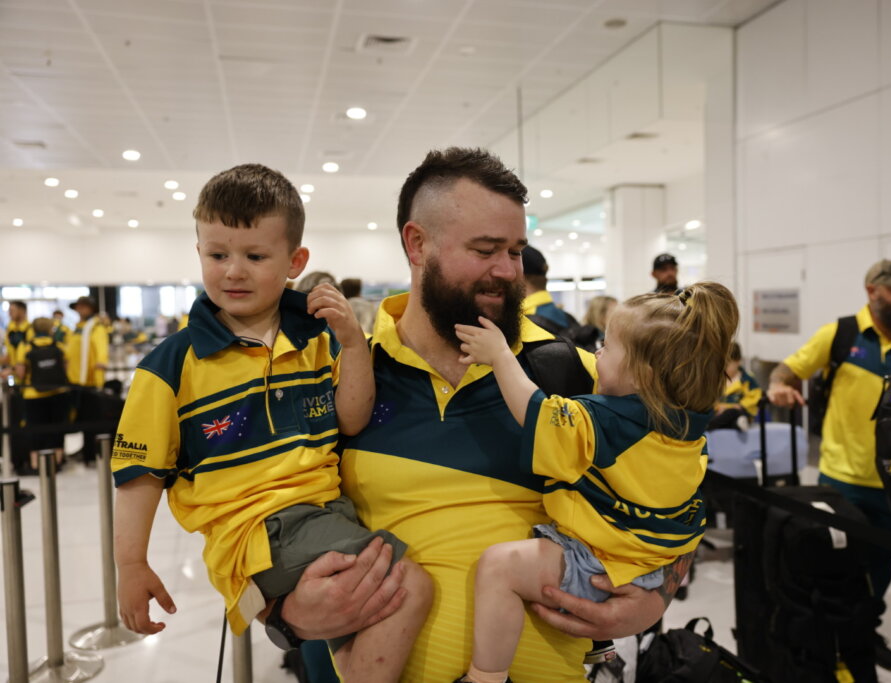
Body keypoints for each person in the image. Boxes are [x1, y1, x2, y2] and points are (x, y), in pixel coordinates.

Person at [280, 147, 691, 682]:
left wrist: (658, 595)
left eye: (517, 251)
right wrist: (283, 614)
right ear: (416, 243)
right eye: (485, 249)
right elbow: (252, 510)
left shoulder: (573, 374)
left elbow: (679, 489)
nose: (507, 270)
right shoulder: (341, 377)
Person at [110, 163, 432, 681]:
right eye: (218, 255)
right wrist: (130, 565)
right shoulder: (170, 365)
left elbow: (351, 419)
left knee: (363, 623)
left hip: (325, 514)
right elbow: (138, 476)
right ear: (199, 253)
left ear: (294, 261)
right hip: (259, 532)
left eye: (255, 256)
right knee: (410, 586)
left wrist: (352, 343)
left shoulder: (318, 339)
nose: (233, 271)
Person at [452, 283, 736, 683]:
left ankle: (485, 676)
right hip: (647, 566)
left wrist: (499, 356)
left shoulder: (609, 421)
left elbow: (539, 414)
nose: (597, 352)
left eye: (608, 345)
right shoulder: (687, 427)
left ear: (643, 374)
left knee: (500, 567)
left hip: (603, 564)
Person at [767, 258, 891, 672]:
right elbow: (789, 368)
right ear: (872, 290)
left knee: (883, 566)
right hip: (841, 481)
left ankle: (864, 636)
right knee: (835, 569)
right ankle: (830, 641)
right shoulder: (840, 335)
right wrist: (779, 384)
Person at [12, 317, 71, 472]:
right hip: (58, 392)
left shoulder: (25, 347)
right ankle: (57, 462)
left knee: (35, 430)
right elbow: (65, 368)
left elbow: (20, 372)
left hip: (33, 394)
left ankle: (35, 464)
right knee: (57, 428)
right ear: (50, 328)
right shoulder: (59, 345)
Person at [66, 295, 109, 467]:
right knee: (82, 420)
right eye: (79, 307)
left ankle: (92, 455)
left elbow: (101, 348)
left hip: (90, 383)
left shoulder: (96, 327)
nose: (81, 310)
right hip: (75, 381)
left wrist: (101, 365)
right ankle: (86, 452)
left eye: (84, 307)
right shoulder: (77, 328)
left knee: (92, 421)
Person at [709, 342, 762, 431]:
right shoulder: (716, 380)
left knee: (732, 413)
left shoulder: (747, 380)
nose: (724, 367)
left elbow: (753, 399)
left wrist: (730, 407)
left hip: (737, 412)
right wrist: (717, 408)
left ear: (738, 362)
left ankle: (710, 426)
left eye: (728, 364)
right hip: (717, 413)